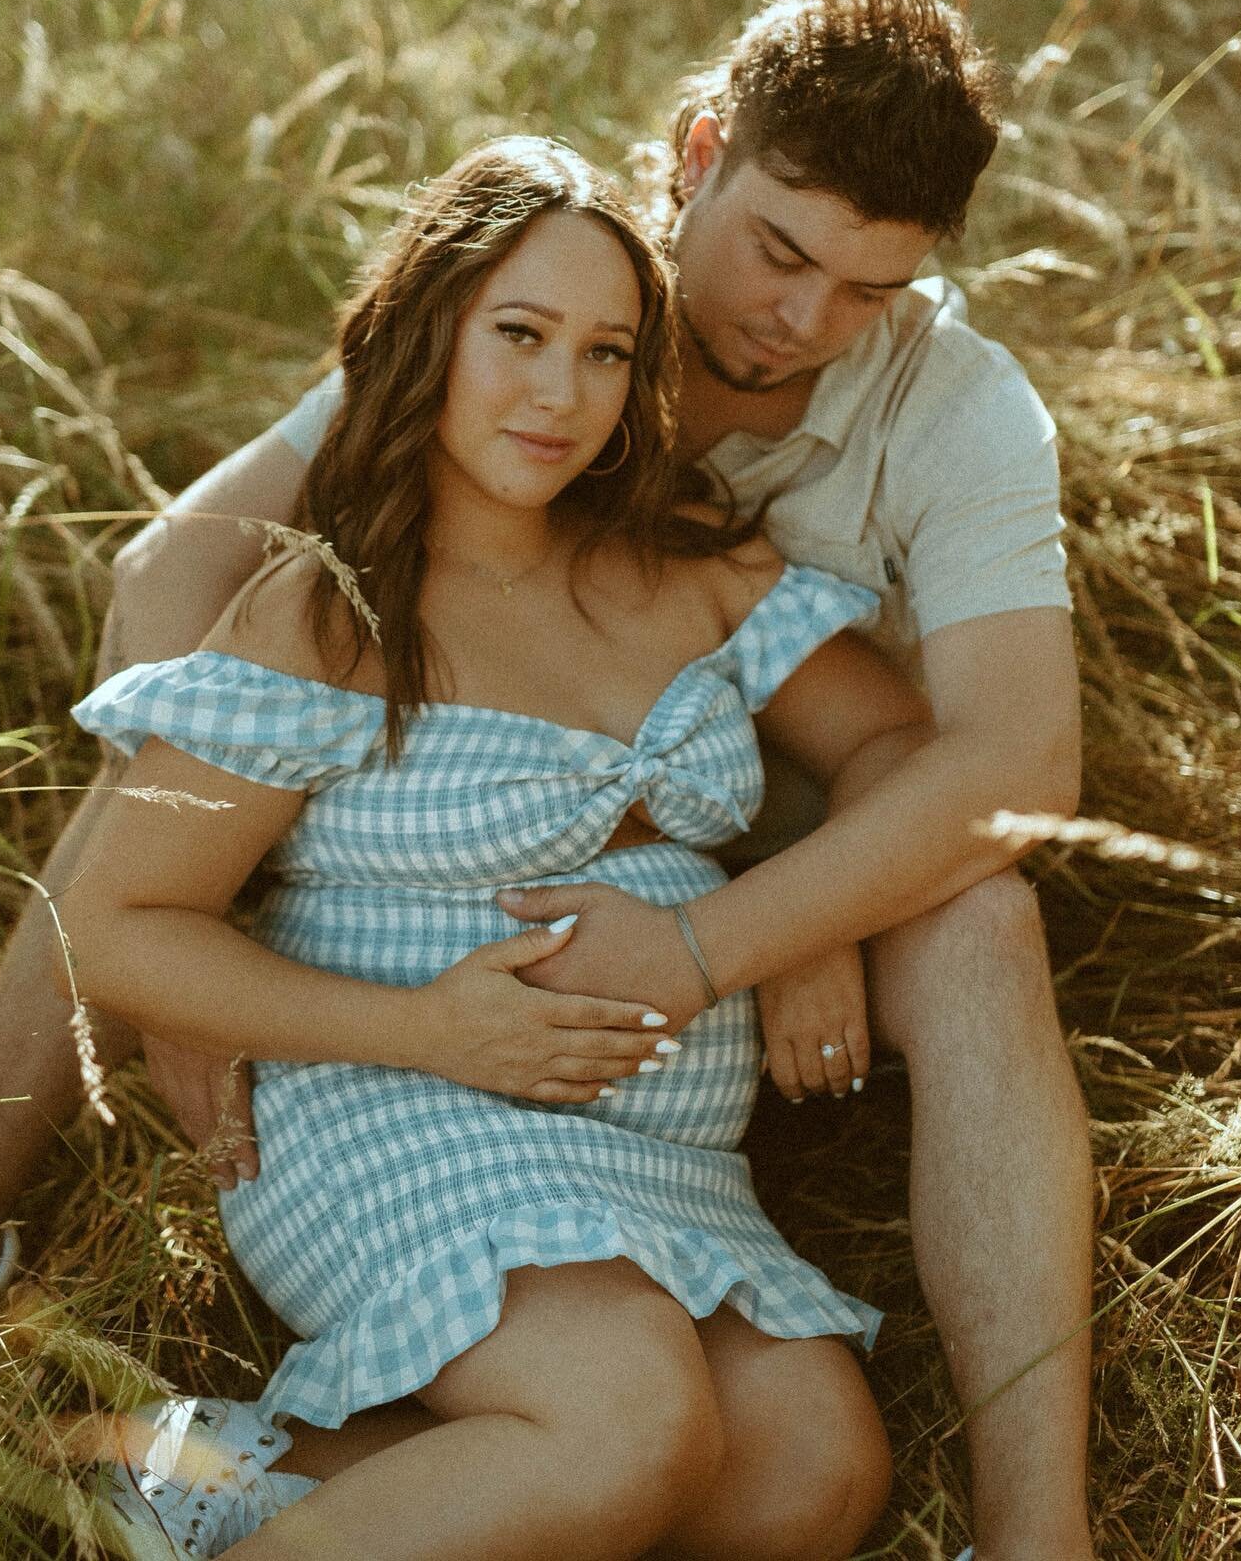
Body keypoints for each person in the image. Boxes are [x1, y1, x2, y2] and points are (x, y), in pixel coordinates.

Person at [0, 0, 1092, 1560]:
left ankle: (1038, 1535)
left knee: (811, 1454)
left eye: (869, 288)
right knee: (165, 782)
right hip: (403, 975)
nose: (803, 322)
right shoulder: (554, 282)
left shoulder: (933, 414)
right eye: (780, 251)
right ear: (701, 150)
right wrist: (188, 981)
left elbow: (1002, 754)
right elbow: (176, 579)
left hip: (740, 910)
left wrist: (785, 925)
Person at [61, 134, 923, 1559]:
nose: (558, 394)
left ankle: (246, 1478)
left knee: (813, 1473)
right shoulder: (332, 613)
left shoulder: (689, 571)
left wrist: (802, 907)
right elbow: (117, 922)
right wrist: (428, 1032)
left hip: (656, 1164)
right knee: (626, 1418)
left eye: (604, 353)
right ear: (428, 337)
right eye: (518, 335)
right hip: (397, 1118)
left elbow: (898, 750)